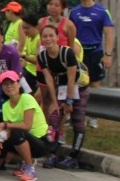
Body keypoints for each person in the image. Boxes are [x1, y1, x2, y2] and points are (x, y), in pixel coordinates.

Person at [38, 25, 89, 169]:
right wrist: (54, 102)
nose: (48, 39)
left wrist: (69, 101)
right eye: (45, 36)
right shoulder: (42, 57)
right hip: (61, 86)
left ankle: (74, 156)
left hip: (78, 87)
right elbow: (49, 80)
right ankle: (53, 153)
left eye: (51, 36)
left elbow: (72, 78)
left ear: (57, 37)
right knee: (55, 118)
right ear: (41, 39)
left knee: (77, 121)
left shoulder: (67, 53)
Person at [0, 71, 48, 181]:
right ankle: (23, 162)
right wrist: (0, 139)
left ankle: (30, 168)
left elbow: (27, 126)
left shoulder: (27, 98)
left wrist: (5, 124)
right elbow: (7, 130)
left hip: (40, 140)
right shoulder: (6, 105)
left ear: (19, 84)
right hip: (24, 139)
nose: (9, 87)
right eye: (5, 84)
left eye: (12, 83)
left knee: (17, 134)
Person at [70, 0, 114, 129]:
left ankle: (93, 117)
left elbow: (109, 33)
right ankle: (75, 115)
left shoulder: (102, 11)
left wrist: (108, 54)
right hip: (78, 54)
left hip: (95, 52)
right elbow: (69, 32)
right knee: (77, 82)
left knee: (94, 83)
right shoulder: (74, 12)